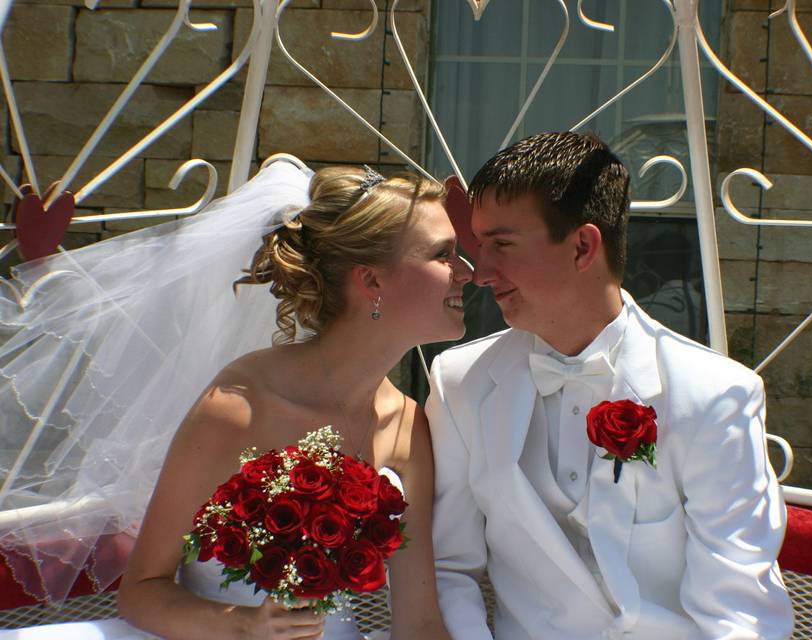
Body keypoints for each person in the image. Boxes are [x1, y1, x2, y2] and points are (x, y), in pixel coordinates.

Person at [4, 161, 469, 640]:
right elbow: (142, 591)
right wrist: (249, 626)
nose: (467, 274)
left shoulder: (407, 422)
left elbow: (420, 622)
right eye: (444, 255)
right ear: (371, 281)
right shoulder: (239, 409)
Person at [426, 131, 795, 639]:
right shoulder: (459, 384)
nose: (481, 272)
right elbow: (449, 568)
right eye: (479, 245)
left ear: (583, 246)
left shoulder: (713, 395)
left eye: (502, 246)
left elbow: (741, 612)